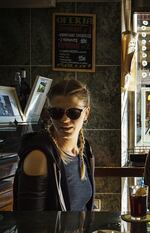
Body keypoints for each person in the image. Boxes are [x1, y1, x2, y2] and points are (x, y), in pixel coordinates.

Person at [13, 79, 94, 211]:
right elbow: (30, 223)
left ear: (86, 113)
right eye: (56, 112)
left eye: (73, 113)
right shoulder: (39, 156)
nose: (64, 120)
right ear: (49, 113)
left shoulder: (84, 150)